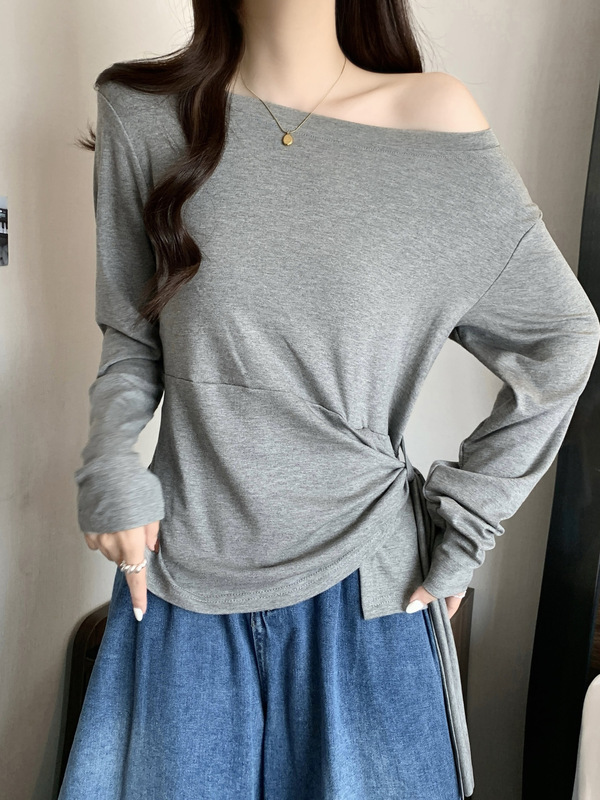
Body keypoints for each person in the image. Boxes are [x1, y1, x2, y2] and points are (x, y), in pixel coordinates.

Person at [60, 1, 600, 798]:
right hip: (181, 580)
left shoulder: (432, 121)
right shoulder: (144, 114)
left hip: (369, 588)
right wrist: (109, 462)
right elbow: (134, 337)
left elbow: (561, 335)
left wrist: (468, 521)